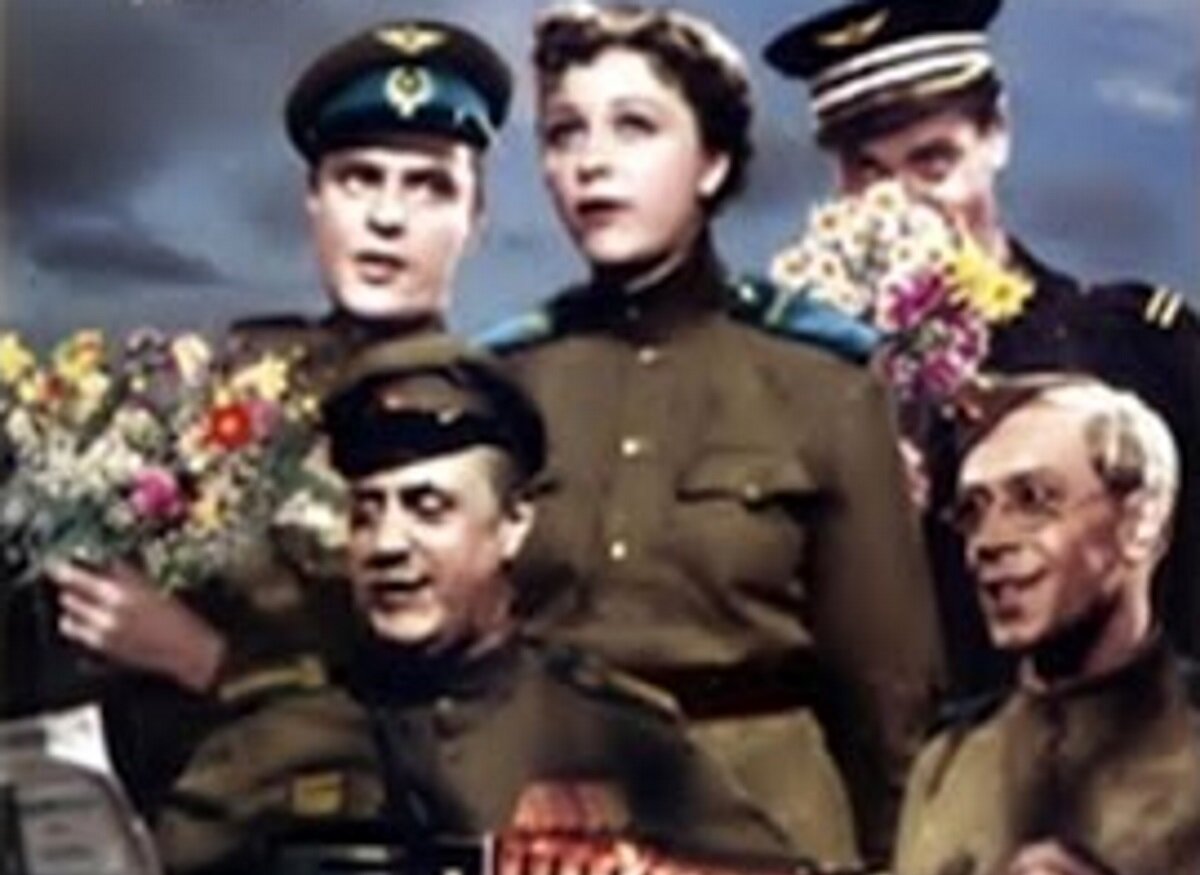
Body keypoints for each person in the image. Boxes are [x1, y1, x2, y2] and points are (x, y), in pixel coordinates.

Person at [0, 17, 513, 813]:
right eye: (358, 178)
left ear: (474, 221)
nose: (387, 217)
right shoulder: (222, 389)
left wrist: (203, 658)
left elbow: (482, 722)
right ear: (314, 201)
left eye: (429, 186)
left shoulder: (508, 431)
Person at [482, 4, 943, 868]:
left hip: (762, 824)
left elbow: (890, 689)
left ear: (714, 161)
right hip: (553, 826)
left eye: (635, 126)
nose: (592, 161)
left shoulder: (821, 386)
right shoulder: (507, 384)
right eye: (566, 132)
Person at [156, 334, 794, 874]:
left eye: (428, 508)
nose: (387, 545)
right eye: (367, 512)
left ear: (513, 525)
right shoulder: (271, 741)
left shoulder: (614, 736)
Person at [762, 0, 1200, 695]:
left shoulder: (1132, 345)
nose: (903, 207)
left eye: (933, 162)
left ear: (996, 134)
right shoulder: (792, 382)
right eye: (868, 173)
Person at [893, 374, 1200, 875]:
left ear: (1139, 522)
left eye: (1033, 500)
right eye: (974, 512)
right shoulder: (947, 763)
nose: (988, 542)